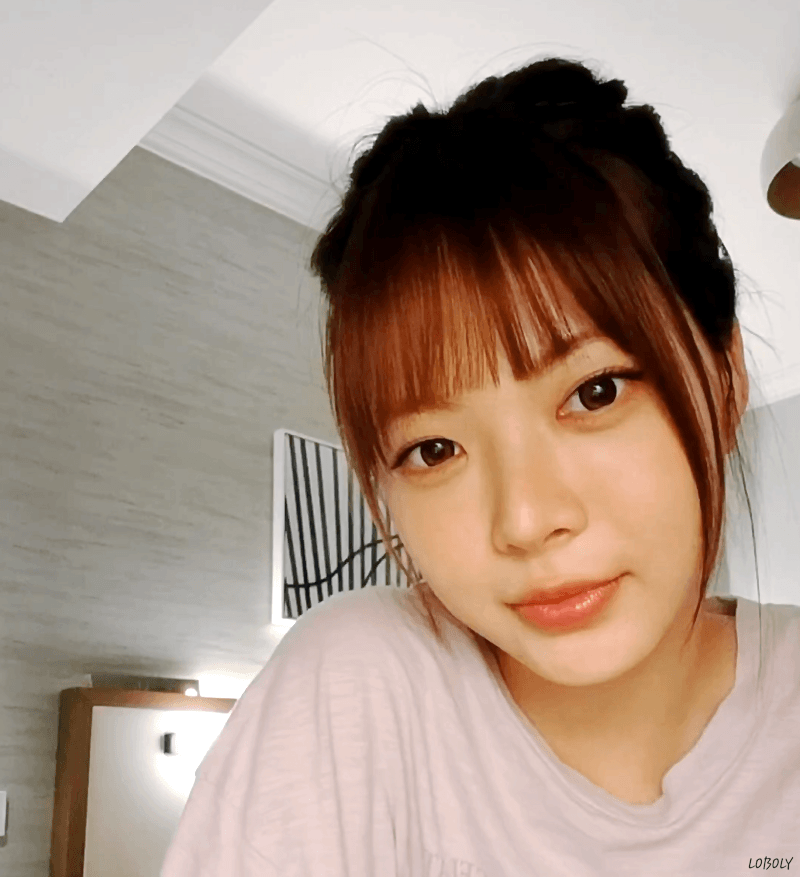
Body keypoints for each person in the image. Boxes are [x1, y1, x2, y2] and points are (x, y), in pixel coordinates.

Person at [162, 56, 800, 876]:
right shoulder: (360, 691)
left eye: (595, 392)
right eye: (434, 449)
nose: (525, 520)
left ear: (724, 378)